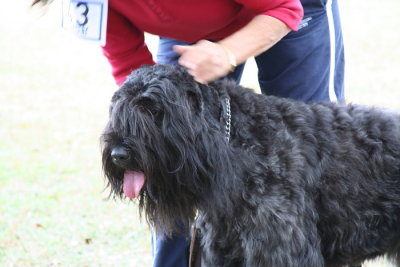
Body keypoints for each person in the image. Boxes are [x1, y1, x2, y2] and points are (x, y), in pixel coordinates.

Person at [32, 0, 345, 266]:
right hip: (190, 35)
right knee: (169, 158)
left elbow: (284, 8)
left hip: (288, 11)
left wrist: (227, 53)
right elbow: (133, 70)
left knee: (314, 145)